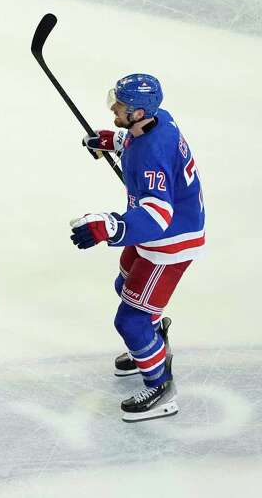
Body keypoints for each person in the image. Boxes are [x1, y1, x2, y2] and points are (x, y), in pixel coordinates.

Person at [69, 74, 204, 422]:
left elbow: (158, 215)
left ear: (140, 111)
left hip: (168, 242)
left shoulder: (150, 154)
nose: (113, 106)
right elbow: (138, 142)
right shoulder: (159, 121)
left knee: (130, 320)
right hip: (155, 236)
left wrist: (110, 226)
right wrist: (113, 140)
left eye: (121, 105)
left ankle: (160, 386)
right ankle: (153, 343)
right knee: (125, 285)